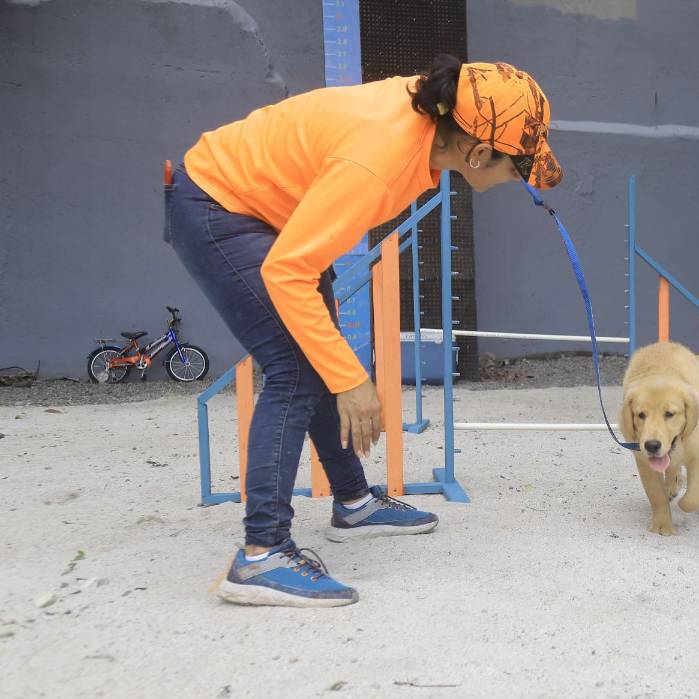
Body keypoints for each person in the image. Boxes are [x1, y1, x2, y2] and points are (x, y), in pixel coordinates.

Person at [165, 55, 562, 608]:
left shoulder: (427, 121)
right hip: (218, 206)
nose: (518, 180)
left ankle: (352, 502)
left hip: (269, 212)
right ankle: (262, 554)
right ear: (476, 151)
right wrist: (353, 381)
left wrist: (345, 373)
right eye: (517, 168)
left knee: (317, 354)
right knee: (297, 367)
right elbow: (287, 271)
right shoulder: (379, 157)